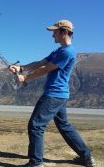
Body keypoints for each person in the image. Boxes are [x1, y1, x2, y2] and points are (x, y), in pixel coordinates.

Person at [10, 20, 96, 167]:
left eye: (54, 32)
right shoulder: (58, 51)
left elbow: (46, 69)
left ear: (64, 32)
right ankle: (86, 157)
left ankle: (36, 162)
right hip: (59, 95)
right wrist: (21, 68)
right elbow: (40, 63)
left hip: (54, 95)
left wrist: (25, 78)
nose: (52, 35)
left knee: (36, 125)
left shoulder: (67, 52)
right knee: (64, 126)